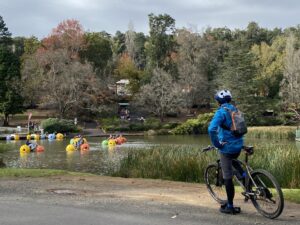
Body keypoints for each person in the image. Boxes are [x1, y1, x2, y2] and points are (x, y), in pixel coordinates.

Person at [208, 90, 245, 214]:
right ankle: (246, 180)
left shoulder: (221, 112)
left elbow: (211, 129)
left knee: (227, 177)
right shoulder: (236, 110)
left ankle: (230, 206)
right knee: (235, 162)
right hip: (239, 146)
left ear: (218, 102)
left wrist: (217, 144)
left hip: (227, 148)